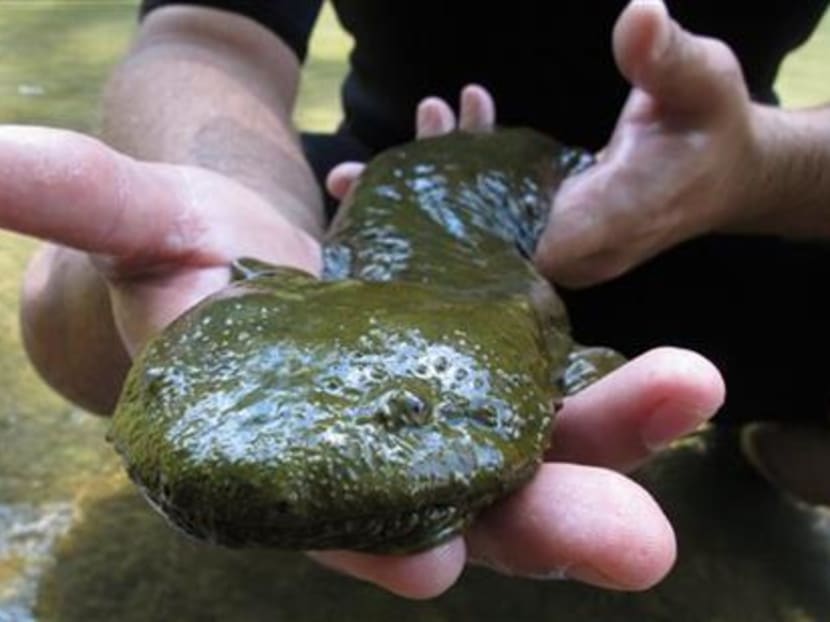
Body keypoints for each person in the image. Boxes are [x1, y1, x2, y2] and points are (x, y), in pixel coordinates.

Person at [0, 0, 828, 600]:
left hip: (725, 190)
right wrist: (247, 199)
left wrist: (762, 161)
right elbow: (205, 30)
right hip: (372, 179)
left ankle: (767, 457)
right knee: (72, 289)